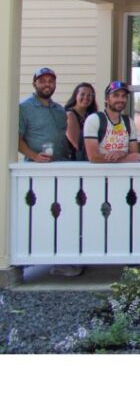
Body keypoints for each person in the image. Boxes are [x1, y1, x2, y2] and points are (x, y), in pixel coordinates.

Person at [20, 67, 77, 276]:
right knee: (40, 216)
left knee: (61, 215)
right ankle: (33, 257)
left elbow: (67, 137)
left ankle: (62, 260)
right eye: (43, 81)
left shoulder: (59, 110)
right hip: (37, 173)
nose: (47, 84)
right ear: (35, 83)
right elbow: (16, 138)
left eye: (51, 81)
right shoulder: (24, 108)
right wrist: (34, 156)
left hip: (61, 169)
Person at [84, 81, 140, 164]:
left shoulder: (129, 122)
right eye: (116, 95)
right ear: (107, 99)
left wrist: (121, 153)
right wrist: (124, 159)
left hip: (125, 174)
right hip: (100, 174)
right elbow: (93, 157)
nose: (121, 99)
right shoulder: (94, 119)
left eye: (124, 96)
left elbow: (135, 154)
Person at [64, 81, 97, 161]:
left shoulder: (91, 116)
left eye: (89, 95)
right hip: (75, 161)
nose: (86, 97)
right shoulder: (70, 115)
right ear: (76, 96)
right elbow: (78, 144)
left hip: (89, 159)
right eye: (82, 94)